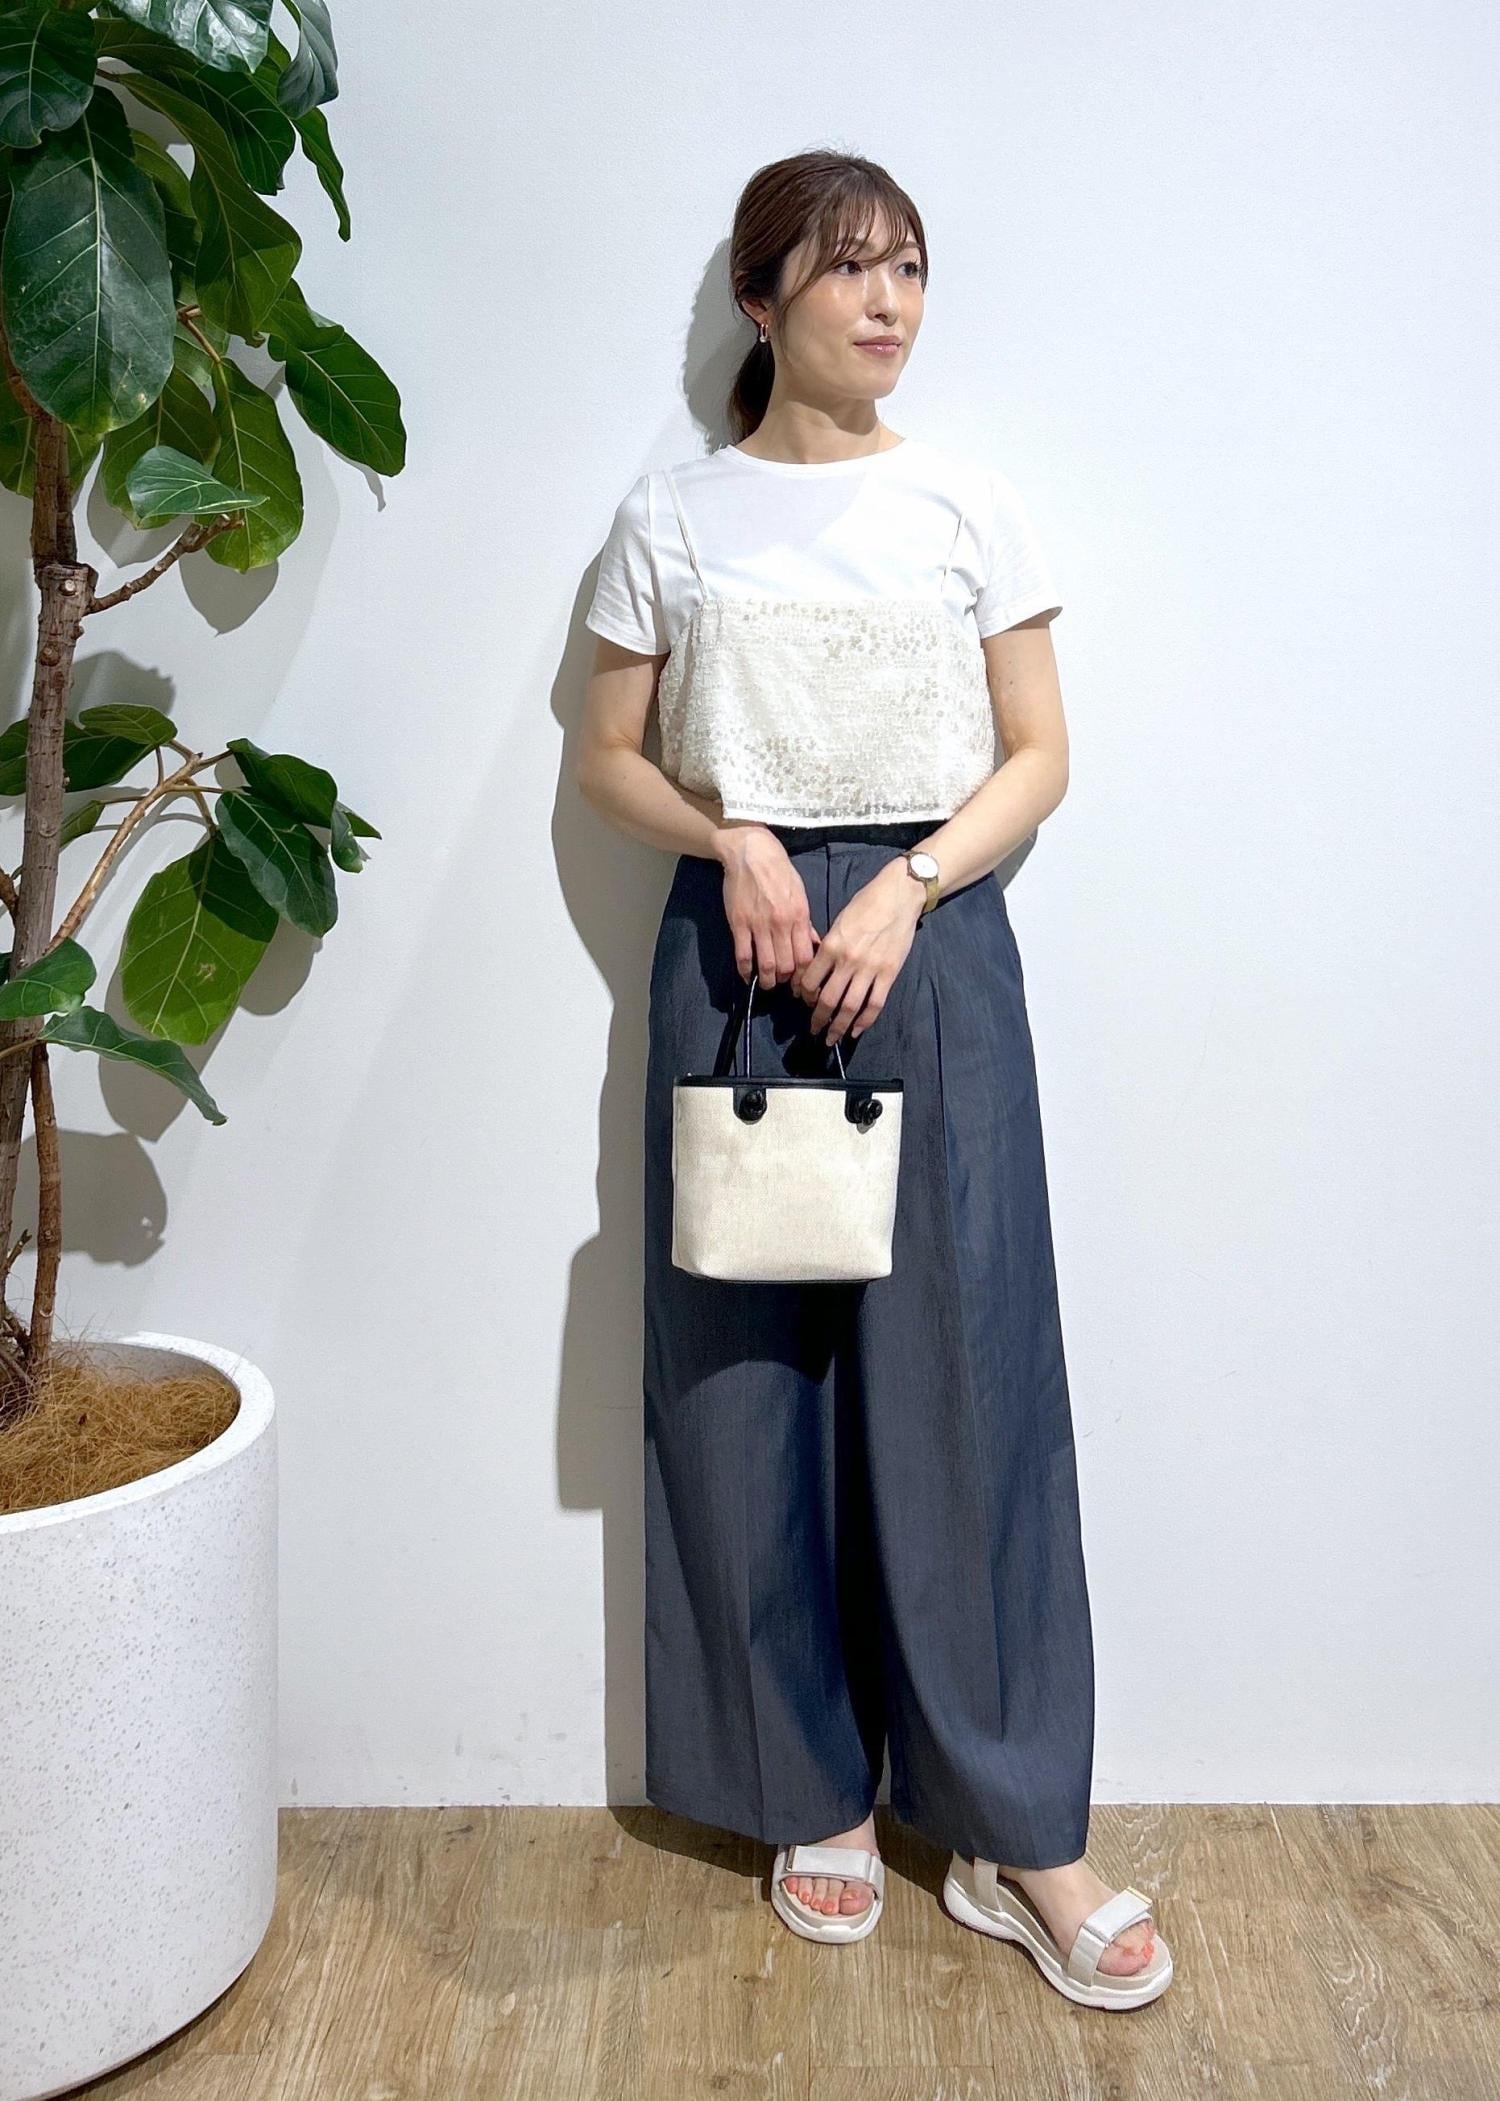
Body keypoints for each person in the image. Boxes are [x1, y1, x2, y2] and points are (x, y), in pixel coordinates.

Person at [576, 149, 1174, 2012]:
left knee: (970, 1375)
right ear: (763, 302)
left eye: (909, 266)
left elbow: (1038, 751)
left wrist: (909, 885)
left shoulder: (967, 504)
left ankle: (1015, 1826)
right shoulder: (673, 516)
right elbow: (605, 755)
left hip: (935, 946)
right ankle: (806, 1786)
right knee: (747, 1377)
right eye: (849, 269)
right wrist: (736, 838)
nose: (890, 301)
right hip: (741, 952)